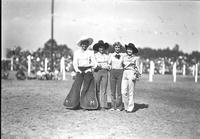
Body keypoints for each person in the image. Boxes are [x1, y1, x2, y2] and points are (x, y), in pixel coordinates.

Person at [63, 37, 99, 110]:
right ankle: (73, 104)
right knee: (76, 86)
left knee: (87, 87)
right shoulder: (76, 52)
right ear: (81, 45)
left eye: (86, 44)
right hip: (79, 70)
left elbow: (94, 63)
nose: (84, 45)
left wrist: (89, 69)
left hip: (88, 70)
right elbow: (75, 63)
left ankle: (86, 104)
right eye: (83, 44)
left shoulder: (90, 52)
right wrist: (77, 70)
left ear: (88, 44)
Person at [121, 43, 140, 113]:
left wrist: (136, 76)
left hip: (131, 73)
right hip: (124, 73)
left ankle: (130, 107)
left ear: (133, 50)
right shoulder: (124, 57)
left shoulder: (136, 58)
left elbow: (138, 68)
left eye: (131, 49)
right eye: (128, 49)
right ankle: (126, 106)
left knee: (131, 92)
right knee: (123, 91)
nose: (129, 50)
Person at [93, 40, 110, 110]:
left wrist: (104, 66)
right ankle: (96, 104)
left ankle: (103, 105)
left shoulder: (107, 56)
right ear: (98, 48)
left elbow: (108, 65)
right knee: (97, 88)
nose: (101, 49)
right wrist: (100, 65)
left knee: (104, 89)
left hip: (105, 72)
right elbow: (94, 65)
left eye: (103, 47)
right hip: (97, 72)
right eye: (100, 47)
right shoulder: (95, 55)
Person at [108, 42, 125, 111]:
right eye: (116, 47)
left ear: (120, 48)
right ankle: (113, 106)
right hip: (113, 72)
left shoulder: (123, 55)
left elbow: (124, 64)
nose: (117, 49)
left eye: (118, 47)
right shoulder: (111, 55)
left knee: (119, 90)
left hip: (120, 72)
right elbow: (109, 63)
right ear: (114, 48)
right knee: (112, 90)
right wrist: (109, 67)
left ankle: (119, 106)